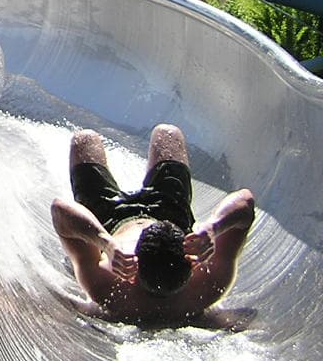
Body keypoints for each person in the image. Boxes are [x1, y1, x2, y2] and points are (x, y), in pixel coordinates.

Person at [51, 124, 255, 324]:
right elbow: (245, 201)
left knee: (84, 140)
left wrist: (106, 243)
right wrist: (213, 227)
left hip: (109, 219)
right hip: (170, 211)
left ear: (135, 266)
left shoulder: (107, 287)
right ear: (192, 263)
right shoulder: (205, 288)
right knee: (167, 133)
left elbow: (60, 210)